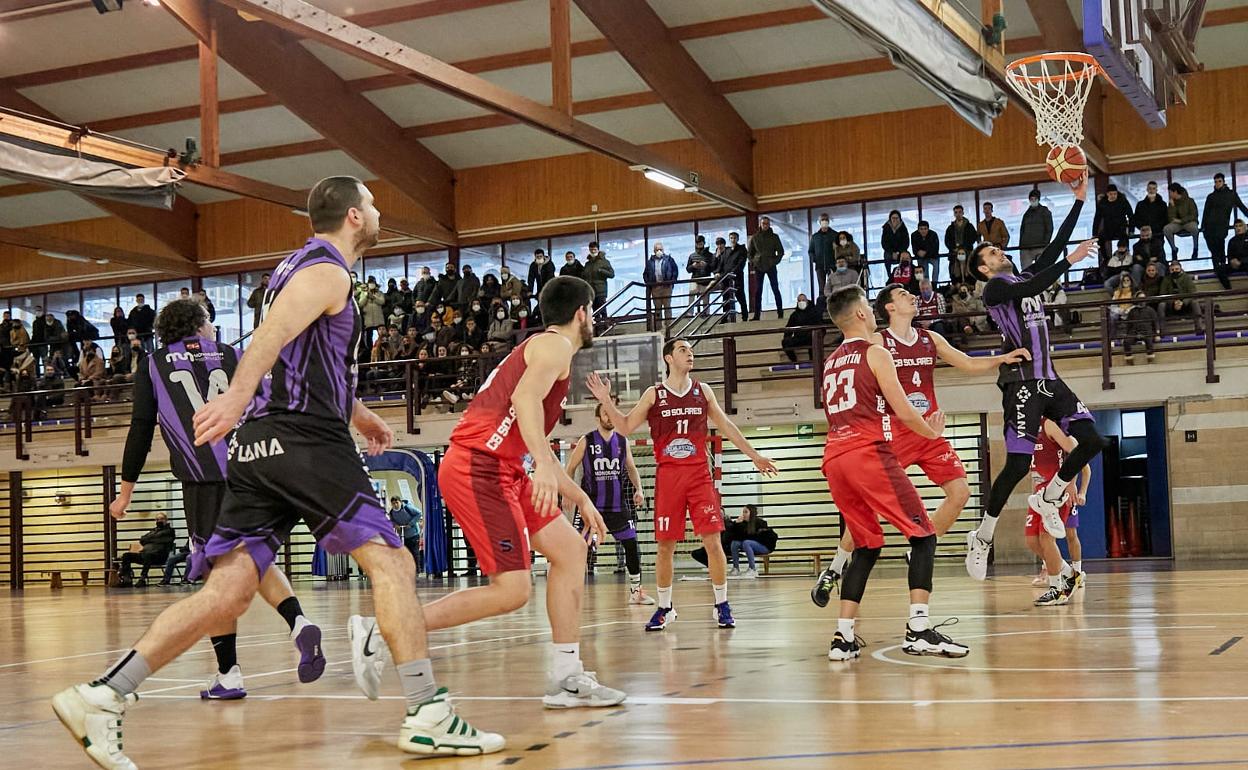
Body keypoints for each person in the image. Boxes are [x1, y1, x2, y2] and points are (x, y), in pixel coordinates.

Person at [52, 176, 503, 769]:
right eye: (371, 205)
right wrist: (236, 395)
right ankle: (428, 714)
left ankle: (104, 694)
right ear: (352, 216)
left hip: (260, 445)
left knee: (228, 592)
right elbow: (270, 338)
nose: (378, 213)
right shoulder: (328, 270)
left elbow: (302, 360)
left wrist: (359, 414)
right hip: (303, 439)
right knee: (392, 561)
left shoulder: (293, 268)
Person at [359, 275, 625, 712]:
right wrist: (543, 466)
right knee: (512, 590)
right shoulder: (556, 346)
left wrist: (578, 496)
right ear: (582, 312)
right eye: (592, 311)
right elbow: (524, 399)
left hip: (503, 467)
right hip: (478, 467)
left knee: (571, 551)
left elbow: (529, 434)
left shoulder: (545, 351)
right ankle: (383, 629)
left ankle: (566, 677)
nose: (592, 318)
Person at [110, 297, 324, 698]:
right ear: (197, 324)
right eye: (208, 320)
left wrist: (125, 493)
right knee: (253, 557)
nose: (212, 327)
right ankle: (298, 622)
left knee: (215, 576)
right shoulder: (232, 354)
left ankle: (229, 674)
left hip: (202, 480)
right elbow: (272, 404)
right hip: (252, 469)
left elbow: (140, 428)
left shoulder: (153, 365)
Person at [810, 284, 1028, 606]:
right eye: (903, 295)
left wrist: (1002, 358)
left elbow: (967, 363)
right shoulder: (876, 343)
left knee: (960, 493)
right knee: (869, 510)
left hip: (928, 432)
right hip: (893, 433)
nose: (912, 297)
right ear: (889, 307)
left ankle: (920, 550)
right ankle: (835, 568)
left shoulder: (930, 339)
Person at [966, 171, 1107, 584]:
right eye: (992, 252)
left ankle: (1050, 494)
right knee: (1015, 465)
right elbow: (1048, 273)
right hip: (1022, 383)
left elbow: (1055, 246)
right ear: (983, 268)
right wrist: (1071, 261)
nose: (999, 252)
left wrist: (1079, 200)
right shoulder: (994, 290)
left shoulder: (1023, 278)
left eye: (997, 248)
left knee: (1093, 441)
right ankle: (983, 535)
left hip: (1050, 379)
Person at [586, 338, 779, 632]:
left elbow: (726, 425)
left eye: (691, 350)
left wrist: (755, 456)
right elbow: (624, 426)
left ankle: (722, 604)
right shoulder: (655, 394)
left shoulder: (703, 391)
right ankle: (665, 608)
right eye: (683, 350)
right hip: (669, 476)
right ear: (668, 358)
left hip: (699, 475)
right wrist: (606, 400)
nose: (690, 354)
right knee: (665, 546)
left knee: (713, 542)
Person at [818, 285, 968, 661]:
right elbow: (903, 409)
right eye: (868, 307)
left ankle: (842, 637)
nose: (872, 312)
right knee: (924, 535)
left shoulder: (831, 361)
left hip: (834, 457)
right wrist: (931, 432)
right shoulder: (876, 352)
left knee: (867, 545)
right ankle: (918, 630)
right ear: (861, 314)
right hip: (867, 453)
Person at [564, 401, 655, 606]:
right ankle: (569, 591)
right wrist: (567, 493)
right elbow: (570, 468)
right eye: (605, 413)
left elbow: (631, 468)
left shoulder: (622, 441)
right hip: (591, 507)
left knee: (632, 545)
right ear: (598, 418)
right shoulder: (586, 441)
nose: (610, 417)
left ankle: (636, 592)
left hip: (617, 507)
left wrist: (639, 489)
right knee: (578, 547)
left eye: (612, 413)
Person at [1025, 420, 1092, 605]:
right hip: (1040, 491)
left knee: (1051, 537)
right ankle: (1071, 574)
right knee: (1032, 540)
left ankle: (1057, 589)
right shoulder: (1026, 429)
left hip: (1057, 489)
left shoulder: (1051, 424)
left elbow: (1079, 458)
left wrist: (1074, 485)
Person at [1201, 173, 1248, 289]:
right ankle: (1220, 277)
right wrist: (1203, 229)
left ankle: (1222, 270)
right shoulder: (1211, 197)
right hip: (1209, 229)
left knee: (1221, 251)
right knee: (1214, 254)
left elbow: (1242, 207)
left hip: (1221, 228)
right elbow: (1205, 213)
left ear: (1223, 181)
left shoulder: (1231, 194)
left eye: (1219, 181)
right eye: (1215, 182)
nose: (1217, 184)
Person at [117, 513, 176, 586]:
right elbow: (142, 539)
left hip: (160, 556)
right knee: (126, 555)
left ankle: (142, 578)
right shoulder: (153, 530)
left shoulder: (170, 531)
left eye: (161, 519)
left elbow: (163, 540)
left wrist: (150, 539)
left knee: (148, 555)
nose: (159, 521)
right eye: (157, 519)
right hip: (145, 554)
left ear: (166, 520)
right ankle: (127, 578)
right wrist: (154, 538)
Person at [748, 216, 785, 320]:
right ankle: (757, 315)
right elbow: (749, 253)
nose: (765, 225)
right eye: (763, 223)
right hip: (759, 266)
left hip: (771, 266)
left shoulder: (774, 237)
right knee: (758, 291)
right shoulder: (755, 237)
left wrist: (774, 262)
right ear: (760, 224)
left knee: (775, 289)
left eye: (767, 223)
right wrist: (754, 262)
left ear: (769, 225)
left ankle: (780, 313)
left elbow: (781, 252)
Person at [727, 505, 777, 579]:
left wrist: (745, 536)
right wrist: (736, 524)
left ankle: (752, 569)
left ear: (752, 513)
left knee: (746, 542)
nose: (743, 514)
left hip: (764, 546)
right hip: (749, 546)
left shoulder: (760, 523)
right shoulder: (743, 523)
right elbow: (735, 537)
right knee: (735, 543)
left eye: (746, 512)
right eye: (743, 512)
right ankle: (736, 568)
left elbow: (756, 537)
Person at [1094, 184, 1133, 265]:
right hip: (1108, 228)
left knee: (1124, 240)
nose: (1113, 196)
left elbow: (1131, 215)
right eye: (1111, 194)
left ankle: (1125, 258)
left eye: (1115, 194)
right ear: (1107, 194)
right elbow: (1097, 218)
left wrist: (1131, 230)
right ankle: (1106, 259)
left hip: (1121, 228)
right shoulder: (1103, 203)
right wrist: (1094, 233)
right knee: (1100, 240)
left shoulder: (1122, 201)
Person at [1159, 259, 1202, 330]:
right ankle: (1162, 330)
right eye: (1172, 270)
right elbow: (1162, 294)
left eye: (1177, 269)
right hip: (1171, 305)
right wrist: (1173, 302)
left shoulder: (1186, 278)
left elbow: (1193, 293)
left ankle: (1199, 328)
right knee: (1161, 305)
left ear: (1181, 269)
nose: (1174, 271)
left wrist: (1183, 302)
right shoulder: (1166, 279)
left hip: (1185, 305)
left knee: (1195, 302)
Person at [644, 241, 679, 328]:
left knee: (667, 306)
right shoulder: (650, 262)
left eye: (660, 249)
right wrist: (650, 283)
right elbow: (645, 274)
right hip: (655, 288)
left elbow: (675, 271)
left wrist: (671, 282)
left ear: (663, 250)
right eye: (657, 250)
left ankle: (669, 326)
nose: (659, 251)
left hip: (666, 287)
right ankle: (658, 326)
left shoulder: (669, 259)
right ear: (654, 251)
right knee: (657, 307)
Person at [1019, 189, 1054, 269]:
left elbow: (1049, 228)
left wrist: (1045, 243)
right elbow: (1022, 230)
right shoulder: (1027, 214)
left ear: (1038, 199)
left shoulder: (1044, 211)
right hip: (1026, 247)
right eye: (1031, 199)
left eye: (1035, 199)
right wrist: (1021, 246)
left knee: (1042, 269)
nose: (1033, 201)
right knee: (1026, 271)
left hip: (1040, 246)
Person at [1120, 294, 1160, 363]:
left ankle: (1150, 359)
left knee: (1149, 340)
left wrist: (1157, 334)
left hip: (1147, 331)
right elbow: (1128, 325)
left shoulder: (1150, 310)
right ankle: (1129, 359)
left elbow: (1156, 322)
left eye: (1143, 298)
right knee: (1126, 342)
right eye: (1140, 298)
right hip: (1134, 332)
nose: (1142, 300)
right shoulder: (1132, 311)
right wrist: (1125, 335)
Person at [1164, 183, 1200, 259]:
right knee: (1167, 229)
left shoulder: (1189, 201)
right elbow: (1171, 218)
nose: (1169, 194)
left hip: (1188, 222)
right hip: (1177, 224)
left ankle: (1195, 248)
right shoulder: (1171, 202)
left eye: (1170, 192)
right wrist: (1172, 206)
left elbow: (1194, 215)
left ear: (1175, 192)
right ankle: (1174, 249)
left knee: (1194, 228)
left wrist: (1181, 220)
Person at [782, 293, 820, 362]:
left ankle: (813, 361)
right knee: (785, 342)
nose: (801, 302)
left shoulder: (814, 312)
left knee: (813, 340)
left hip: (810, 337)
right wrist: (787, 337)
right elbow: (788, 328)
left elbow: (820, 326)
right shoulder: (794, 315)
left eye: (803, 300)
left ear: (807, 301)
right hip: (798, 338)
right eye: (799, 301)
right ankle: (794, 361)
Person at [720, 231, 749, 320]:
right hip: (726, 277)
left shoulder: (742, 249)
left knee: (740, 295)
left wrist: (733, 272)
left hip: (737, 276)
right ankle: (725, 317)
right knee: (726, 297)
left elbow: (741, 263)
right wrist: (721, 273)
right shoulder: (726, 250)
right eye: (731, 238)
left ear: (737, 239)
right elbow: (723, 263)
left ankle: (745, 315)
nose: (733, 240)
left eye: (734, 238)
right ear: (729, 239)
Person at [388, 496, 423, 570]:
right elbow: (391, 521)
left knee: (415, 552)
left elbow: (419, 513)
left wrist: (410, 524)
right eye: (393, 503)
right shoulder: (392, 512)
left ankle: (417, 570)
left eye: (397, 502)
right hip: (403, 536)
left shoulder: (407, 508)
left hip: (413, 534)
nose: (395, 505)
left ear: (400, 502)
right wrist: (395, 525)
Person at [1133, 180, 1168, 249]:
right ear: (1147, 189)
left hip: (1158, 234)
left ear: (1156, 190)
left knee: (1158, 252)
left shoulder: (1162, 204)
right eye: (1150, 188)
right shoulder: (1140, 205)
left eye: (1153, 188)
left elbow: (1165, 219)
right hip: (1144, 235)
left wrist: (1155, 228)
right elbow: (1136, 219)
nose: (1151, 190)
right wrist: (1143, 228)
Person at [583, 242, 616, 313]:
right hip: (591, 290)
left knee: (602, 310)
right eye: (591, 249)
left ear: (598, 250)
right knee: (595, 311)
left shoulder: (604, 262)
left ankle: (605, 320)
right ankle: (598, 320)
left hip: (601, 290)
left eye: (594, 249)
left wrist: (601, 271)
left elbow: (612, 274)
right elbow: (584, 276)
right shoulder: (587, 264)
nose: (593, 251)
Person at [808, 212, 837, 293]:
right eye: (822, 220)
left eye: (826, 219)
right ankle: (822, 301)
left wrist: (836, 261)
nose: (824, 221)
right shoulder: (815, 237)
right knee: (821, 288)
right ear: (819, 222)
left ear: (829, 221)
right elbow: (811, 251)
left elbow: (839, 250)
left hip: (832, 265)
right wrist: (815, 259)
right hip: (820, 266)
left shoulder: (835, 235)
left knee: (833, 286)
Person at [687, 235, 715, 316]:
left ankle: (706, 312)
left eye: (701, 242)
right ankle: (690, 312)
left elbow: (713, 268)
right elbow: (688, 269)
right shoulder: (692, 256)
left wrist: (706, 265)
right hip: (695, 279)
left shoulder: (710, 255)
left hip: (705, 279)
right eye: (697, 243)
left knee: (705, 297)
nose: (699, 244)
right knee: (692, 292)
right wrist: (693, 266)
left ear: (704, 243)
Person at [911, 219, 941, 286]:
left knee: (936, 268)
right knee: (924, 272)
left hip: (932, 255)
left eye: (925, 229)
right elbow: (914, 249)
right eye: (921, 229)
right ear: (918, 230)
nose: (923, 231)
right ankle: (924, 285)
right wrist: (918, 252)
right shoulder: (914, 235)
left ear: (928, 229)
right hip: (921, 257)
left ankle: (934, 284)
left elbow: (935, 248)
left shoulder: (933, 234)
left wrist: (925, 252)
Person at [880, 209, 909, 274]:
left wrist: (898, 252)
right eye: (893, 218)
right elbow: (884, 243)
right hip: (889, 251)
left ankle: (905, 274)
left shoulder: (903, 228)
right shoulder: (886, 228)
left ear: (899, 219)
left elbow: (906, 243)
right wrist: (892, 252)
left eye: (897, 218)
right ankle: (889, 275)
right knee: (886, 256)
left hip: (901, 251)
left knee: (906, 256)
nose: (895, 220)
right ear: (890, 219)